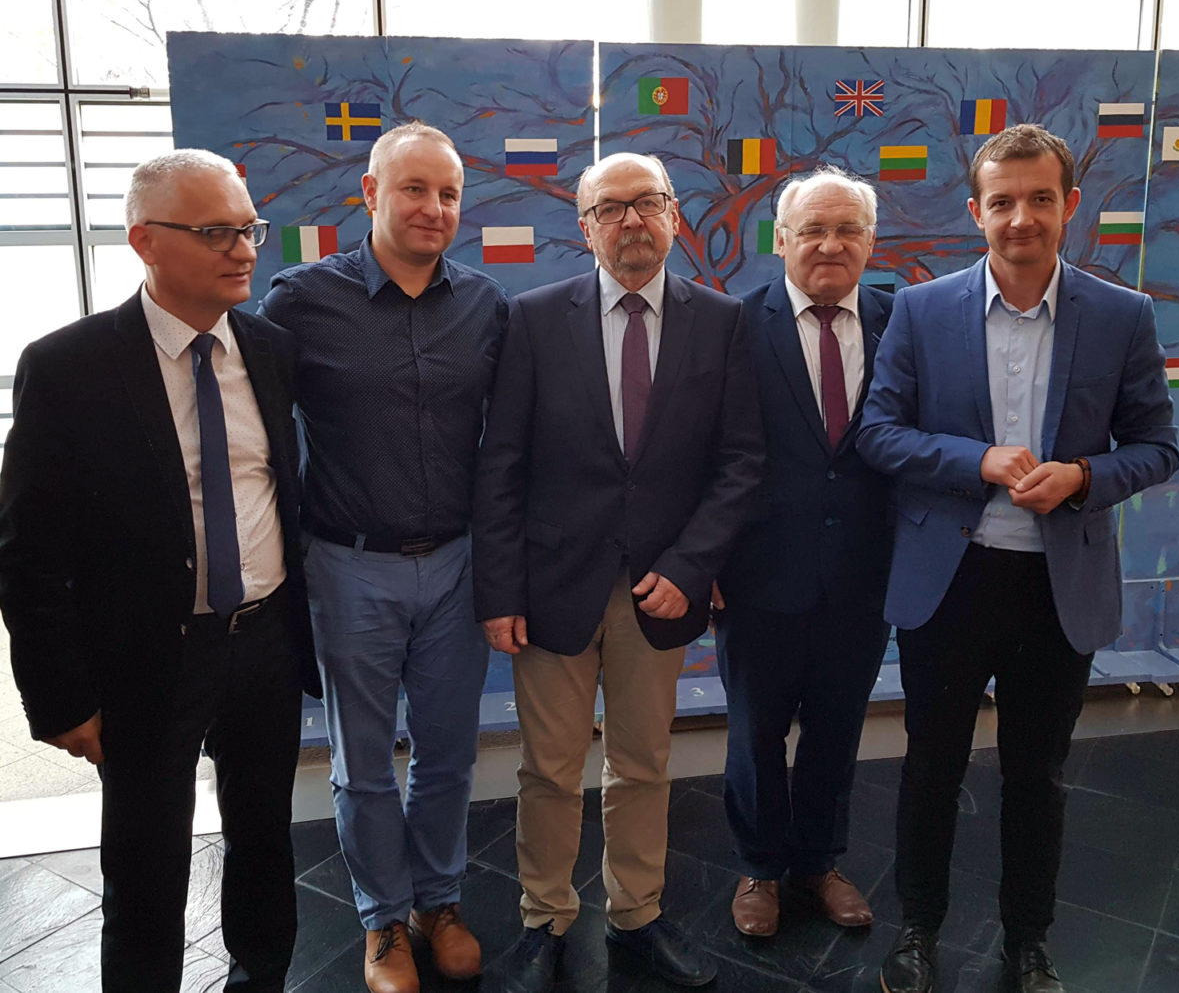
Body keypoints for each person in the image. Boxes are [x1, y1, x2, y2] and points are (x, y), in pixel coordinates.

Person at [857, 124, 1179, 993]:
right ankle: (918, 930)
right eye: (1002, 202)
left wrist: (1083, 476)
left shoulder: (1122, 316)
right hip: (950, 584)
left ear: (1069, 205)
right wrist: (978, 461)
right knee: (930, 769)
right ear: (976, 211)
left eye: (1041, 199)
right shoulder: (921, 311)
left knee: (1038, 777)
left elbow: (1157, 448)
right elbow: (878, 433)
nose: (1022, 218)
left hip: (1056, 589)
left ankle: (1027, 942)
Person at [0, 149, 320, 992]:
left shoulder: (271, 349)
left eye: (249, 229)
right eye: (216, 232)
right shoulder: (68, 367)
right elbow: (29, 550)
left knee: (264, 838)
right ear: (144, 240)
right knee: (145, 864)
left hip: (264, 643)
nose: (243, 250)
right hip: (145, 656)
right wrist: (58, 695)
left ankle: (262, 974)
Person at [473, 151, 764, 993]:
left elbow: (741, 462)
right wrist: (499, 590)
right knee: (548, 769)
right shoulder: (532, 319)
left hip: (660, 592)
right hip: (550, 589)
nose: (630, 220)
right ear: (585, 226)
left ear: (675, 215)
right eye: (611, 208)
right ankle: (545, 918)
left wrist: (691, 565)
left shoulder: (722, 322)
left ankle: (637, 913)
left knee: (643, 764)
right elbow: (502, 463)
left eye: (647, 203)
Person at [259, 121, 507, 993]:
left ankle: (440, 902)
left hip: (457, 566)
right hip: (347, 565)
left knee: (447, 754)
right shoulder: (299, 301)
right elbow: (252, 429)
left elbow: (513, 440)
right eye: (414, 189)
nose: (434, 207)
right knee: (362, 764)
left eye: (449, 194)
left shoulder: (486, 306)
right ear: (370, 193)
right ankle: (383, 920)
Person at [714, 166, 893, 938]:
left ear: (870, 242)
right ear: (781, 240)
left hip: (864, 575)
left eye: (847, 229)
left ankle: (818, 863)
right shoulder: (731, 326)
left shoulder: (902, 321)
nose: (830, 244)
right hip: (757, 576)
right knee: (754, 734)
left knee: (837, 729)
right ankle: (759, 866)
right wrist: (705, 560)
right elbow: (704, 450)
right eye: (813, 230)